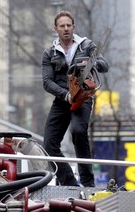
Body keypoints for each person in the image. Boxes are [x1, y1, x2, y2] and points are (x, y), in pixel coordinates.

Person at [41, 10, 109, 187]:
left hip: (83, 98)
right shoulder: (49, 54)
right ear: (56, 28)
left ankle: (87, 183)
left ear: (73, 27)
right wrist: (65, 95)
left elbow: (104, 66)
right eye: (62, 26)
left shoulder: (86, 45)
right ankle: (69, 182)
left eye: (69, 25)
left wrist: (90, 62)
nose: (66, 29)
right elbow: (47, 82)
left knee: (78, 132)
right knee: (49, 144)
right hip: (62, 99)